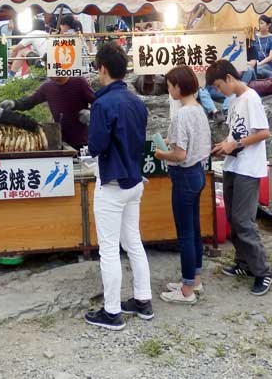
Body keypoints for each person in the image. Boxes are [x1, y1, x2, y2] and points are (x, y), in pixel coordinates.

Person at [84, 42, 152, 330]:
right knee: (133, 242)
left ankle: (112, 312)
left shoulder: (102, 104)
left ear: (102, 69)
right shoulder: (137, 102)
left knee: (109, 250)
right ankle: (142, 300)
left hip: (111, 185)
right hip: (134, 182)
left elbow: (97, 145)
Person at [210, 60, 272, 296]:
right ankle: (244, 263)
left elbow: (264, 133)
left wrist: (235, 144)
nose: (219, 91)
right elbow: (235, 133)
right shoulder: (235, 100)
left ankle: (263, 271)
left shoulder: (252, 98)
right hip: (234, 164)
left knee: (244, 220)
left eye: (219, 86)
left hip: (248, 167)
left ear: (229, 78)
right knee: (232, 217)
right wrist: (224, 146)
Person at [153, 65, 211, 304]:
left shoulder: (181, 114)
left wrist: (160, 154)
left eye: (169, 86)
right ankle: (195, 278)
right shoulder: (198, 109)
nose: (169, 90)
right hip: (198, 173)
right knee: (194, 229)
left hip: (184, 175)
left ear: (178, 86)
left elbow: (179, 154)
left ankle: (187, 289)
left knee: (185, 233)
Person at [0, 76, 94, 149]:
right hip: (60, 141)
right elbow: (30, 101)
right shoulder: (47, 87)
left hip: (82, 141)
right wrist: (14, 104)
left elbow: (98, 103)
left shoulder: (79, 82)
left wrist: (90, 112)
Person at [248, 15, 272, 79]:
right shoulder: (253, 37)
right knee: (249, 70)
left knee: (257, 70)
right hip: (254, 63)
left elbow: (271, 57)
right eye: (258, 23)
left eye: (261, 23)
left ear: (268, 25)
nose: (259, 25)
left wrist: (259, 64)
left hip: (268, 64)